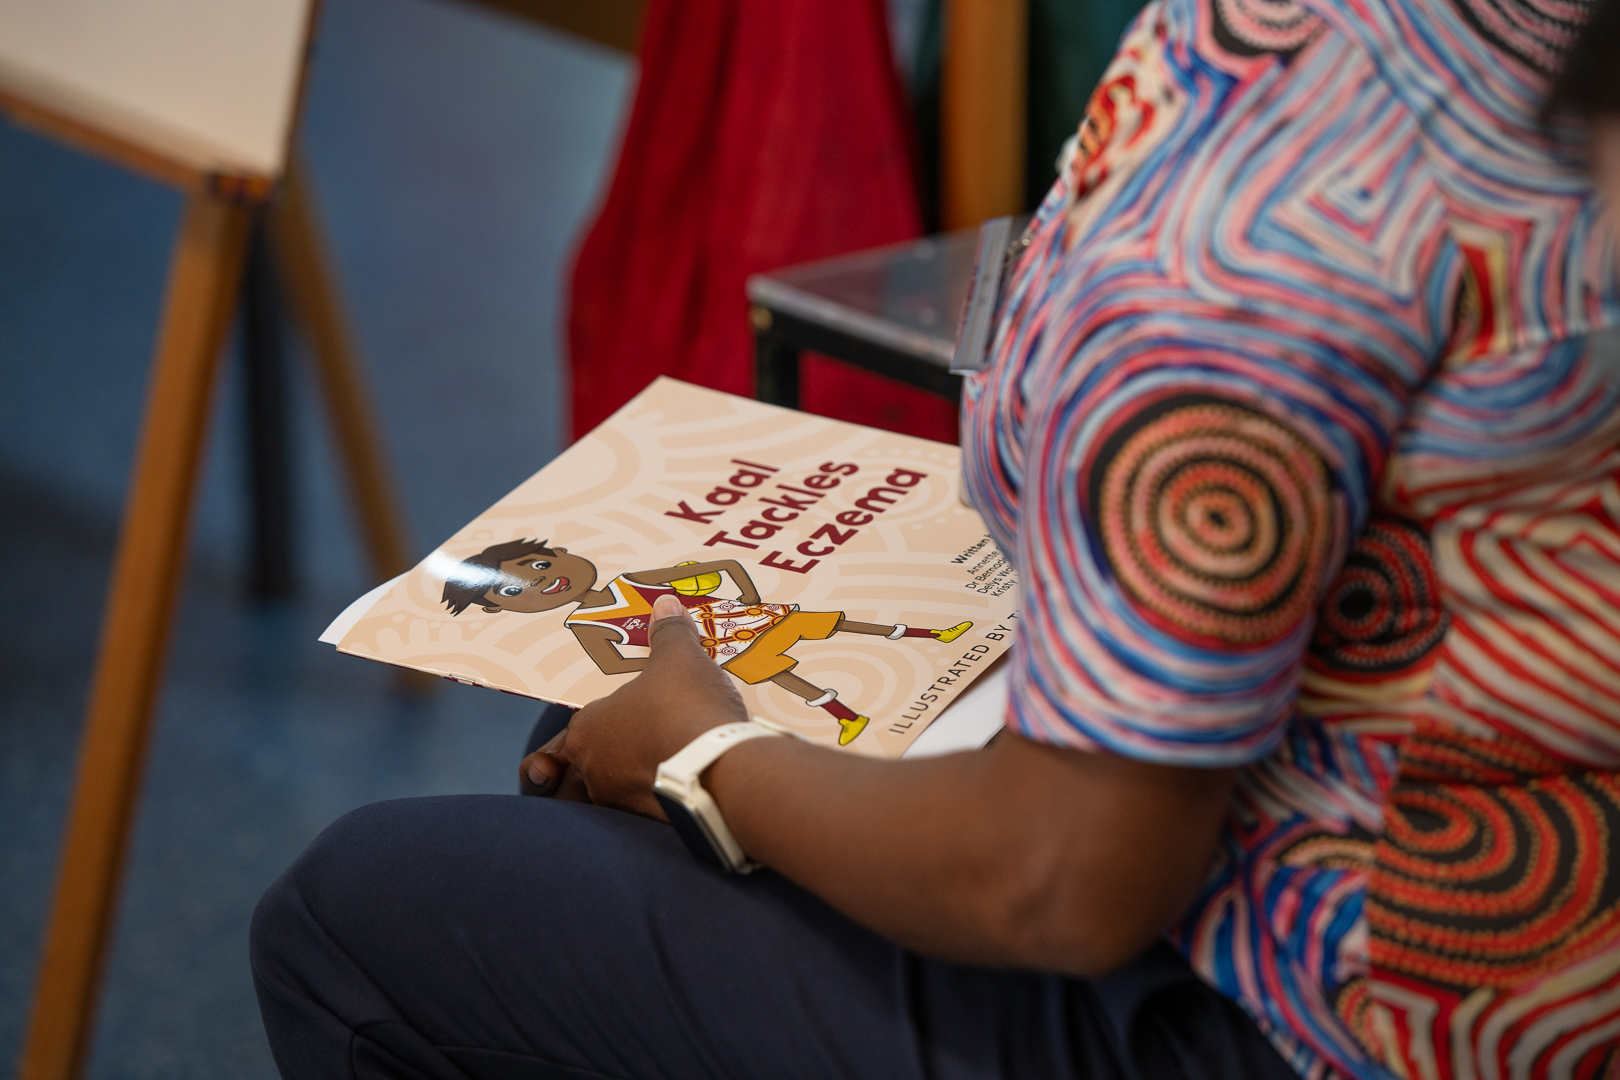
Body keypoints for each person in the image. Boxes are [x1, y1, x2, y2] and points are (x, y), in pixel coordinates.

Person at [250, 0, 1620, 1075]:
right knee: (578, 752)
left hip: (1337, 1014)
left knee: (355, 918)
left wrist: (712, 756)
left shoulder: (1274, 204)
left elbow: (1064, 882)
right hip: (1516, 877)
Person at [437, 539, 971, 745]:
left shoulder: (631, 581)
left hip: (734, 620)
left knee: (833, 623)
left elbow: (724, 564)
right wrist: (675, 658)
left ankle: (931, 633)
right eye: (512, 589)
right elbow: (611, 668)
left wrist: (743, 599)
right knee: (783, 676)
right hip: (711, 655)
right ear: (502, 607)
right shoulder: (585, 626)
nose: (540, 580)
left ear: (559, 556)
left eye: (537, 564)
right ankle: (845, 715)